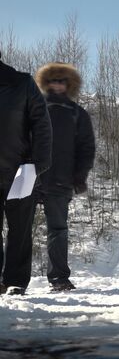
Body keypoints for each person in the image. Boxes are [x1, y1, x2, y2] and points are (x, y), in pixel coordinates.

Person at [34, 62, 96, 292]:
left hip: (61, 180)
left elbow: (86, 148)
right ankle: (11, 279)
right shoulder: (34, 108)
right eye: (53, 81)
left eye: (62, 81)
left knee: (58, 230)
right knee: (19, 230)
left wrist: (79, 177)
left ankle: (59, 278)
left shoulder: (77, 113)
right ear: (46, 83)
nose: (57, 85)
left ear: (68, 85)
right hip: (30, 178)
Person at [0, 52, 52, 295]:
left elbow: (41, 123)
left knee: (20, 229)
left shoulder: (21, 83)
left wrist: (37, 164)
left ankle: (15, 281)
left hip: (20, 170)